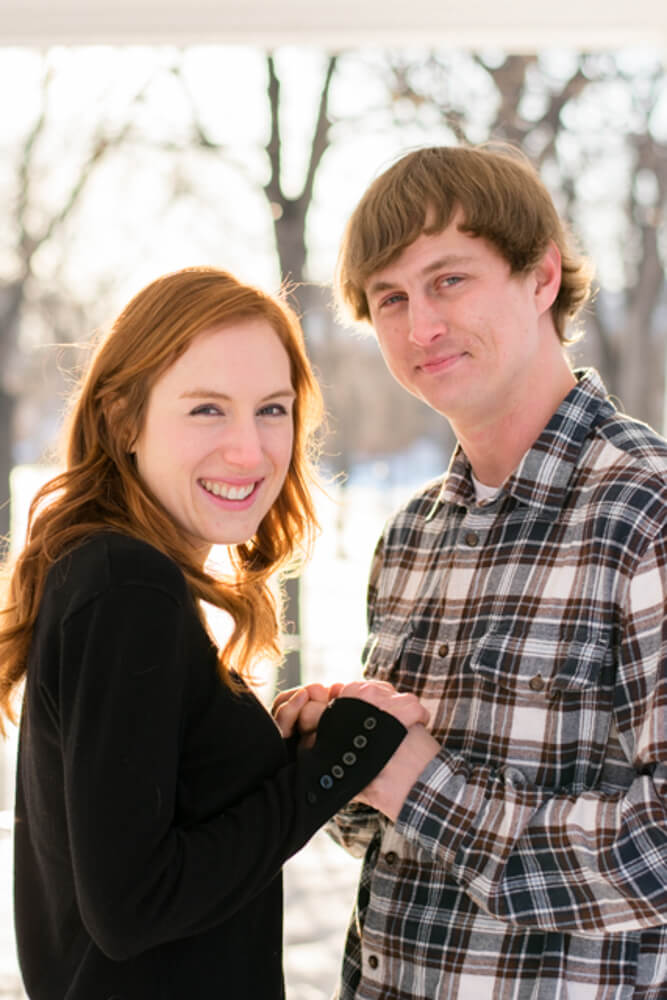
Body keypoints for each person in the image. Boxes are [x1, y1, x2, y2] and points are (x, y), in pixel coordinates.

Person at [276, 145, 667, 998]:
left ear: (539, 280)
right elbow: (389, 833)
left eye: (448, 280)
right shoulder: (412, 535)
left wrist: (422, 781)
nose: (420, 327)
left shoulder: (646, 516)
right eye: (390, 299)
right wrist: (344, 752)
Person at [0, 265, 429, 1000]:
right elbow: (133, 907)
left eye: (271, 409)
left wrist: (282, 753)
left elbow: (150, 837)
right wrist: (339, 758)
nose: (249, 449)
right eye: (206, 410)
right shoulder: (128, 586)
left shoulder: (102, 572)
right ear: (121, 418)